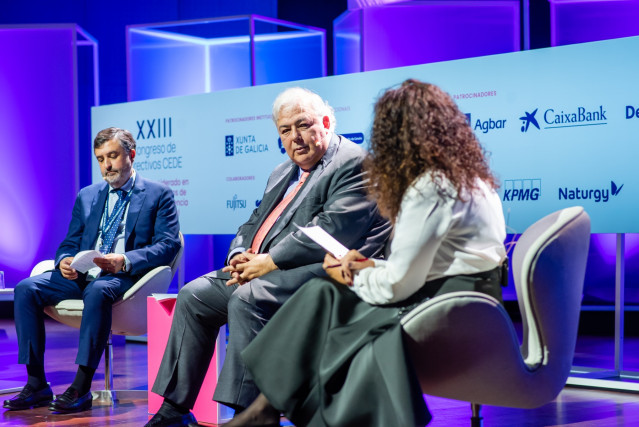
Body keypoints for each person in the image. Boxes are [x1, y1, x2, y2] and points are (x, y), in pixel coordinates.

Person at [228, 79, 508, 427]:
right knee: (322, 295)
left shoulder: (430, 188)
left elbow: (397, 286)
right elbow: (429, 263)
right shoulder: (468, 178)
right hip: (472, 299)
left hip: (445, 306)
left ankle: (271, 412)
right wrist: (367, 266)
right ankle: (265, 411)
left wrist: (352, 274)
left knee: (326, 297)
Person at [146, 87, 392, 427]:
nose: (295, 137)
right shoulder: (281, 171)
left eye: (303, 125)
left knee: (248, 299)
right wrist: (239, 253)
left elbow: (333, 229)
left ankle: (250, 416)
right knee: (193, 296)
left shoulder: (354, 163)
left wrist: (269, 261)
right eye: (285, 130)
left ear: (325, 121)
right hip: (263, 267)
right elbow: (253, 221)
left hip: (327, 272)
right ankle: (174, 410)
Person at [3, 127, 181, 414]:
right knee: (27, 288)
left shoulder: (158, 194)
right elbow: (70, 241)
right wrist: (65, 259)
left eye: (112, 156)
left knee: (99, 290)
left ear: (131, 155)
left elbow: (168, 245)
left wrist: (124, 260)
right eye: (100, 159)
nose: (106, 166)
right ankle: (36, 383)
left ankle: (81, 386)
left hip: (126, 278)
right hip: (85, 274)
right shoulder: (88, 195)